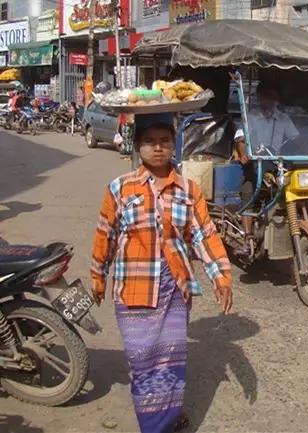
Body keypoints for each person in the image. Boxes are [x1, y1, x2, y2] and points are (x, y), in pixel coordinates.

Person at [91, 112, 233, 433]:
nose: (158, 148)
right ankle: (157, 422)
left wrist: (221, 277)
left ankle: (165, 419)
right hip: (133, 291)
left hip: (174, 289)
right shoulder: (119, 190)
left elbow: (204, 234)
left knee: (170, 361)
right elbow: (105, 237)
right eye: (150, 141)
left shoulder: (188, 190)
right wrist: (98, 277)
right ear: (137, 146)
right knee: (143, 365)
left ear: (174, 145)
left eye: (165, 141)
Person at [233, 82, 300, 255]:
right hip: (255, 163)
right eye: (267, 97)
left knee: (294, 191)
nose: (270, 101)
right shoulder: (251, 117)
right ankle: (247, 240)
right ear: (260, 98)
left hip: (276, 165)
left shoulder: (283, 118)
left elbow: (295, 138)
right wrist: (243, 154)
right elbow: (240, 138)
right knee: (248, 194)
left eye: (273, 97)